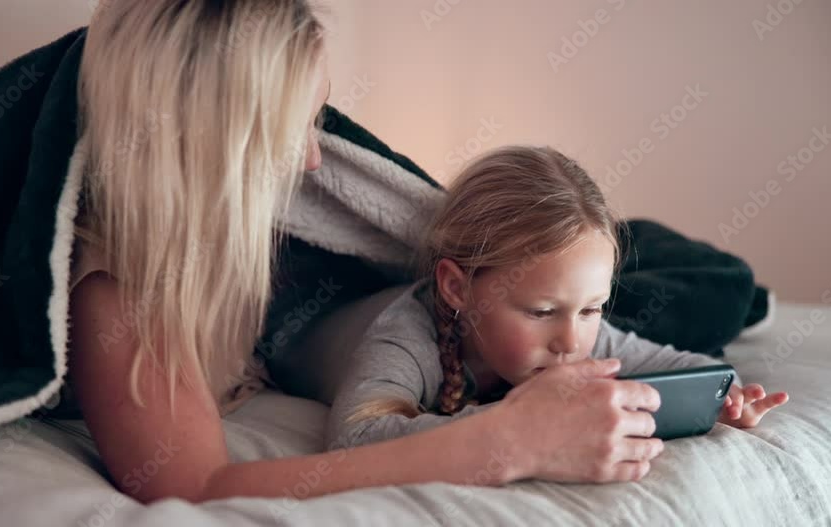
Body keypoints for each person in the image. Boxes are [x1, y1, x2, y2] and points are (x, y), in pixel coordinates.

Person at [68, 0, 676, 504]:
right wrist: (511, 440)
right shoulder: (116, 287)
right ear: (209, 137)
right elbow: (199, 487)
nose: (312, 159)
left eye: (316, 121)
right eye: (291, 130)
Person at [325, 145, 790, 450]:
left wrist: (726, 400)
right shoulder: (406, 337)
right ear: (456, 288)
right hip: (316, 309)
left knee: (709, 293)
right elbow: (356, 438)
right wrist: (522, 422)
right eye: (542, 312)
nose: (570, 341)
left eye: (591, 309)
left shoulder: (577, 334)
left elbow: (691, 372)